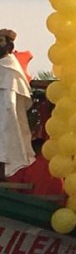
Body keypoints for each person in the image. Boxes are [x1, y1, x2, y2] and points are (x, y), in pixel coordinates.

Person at [0, 29, 35, 181]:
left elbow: (11, 105)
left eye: (0, 41)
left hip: (6, 119)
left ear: (9, 46)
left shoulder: (11, 69)